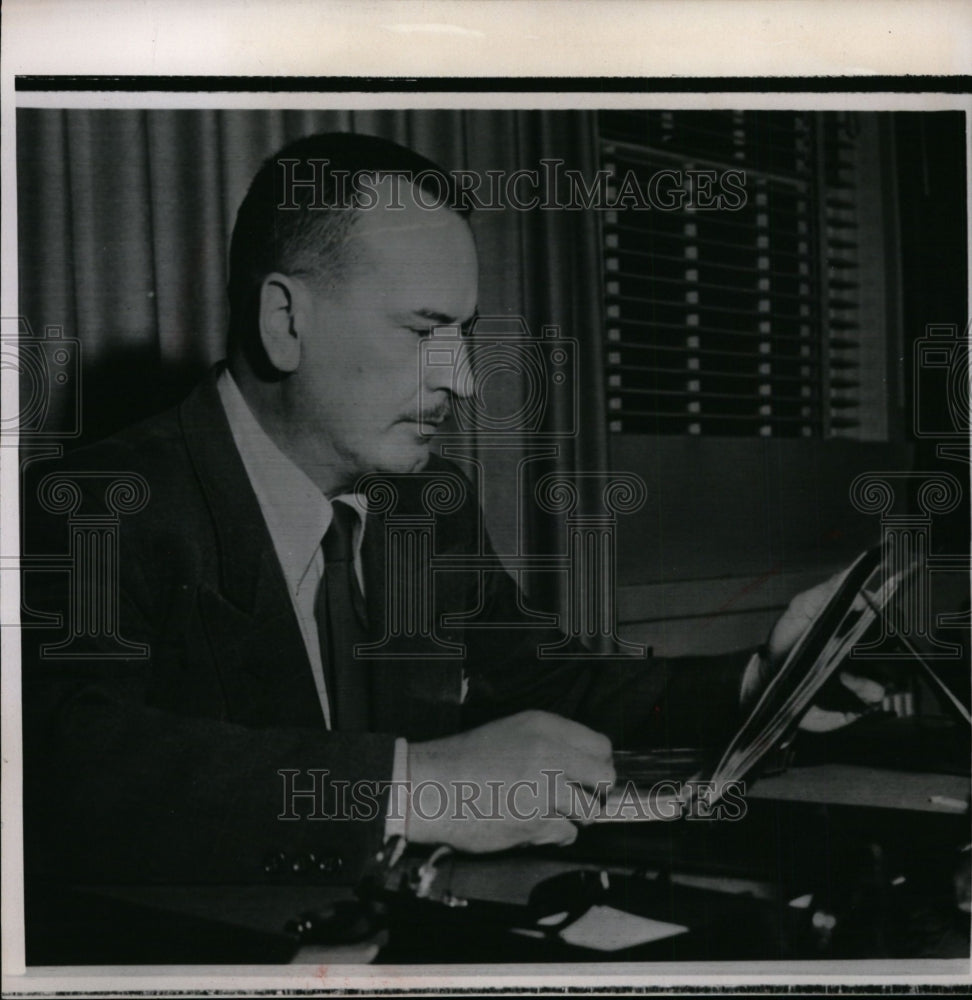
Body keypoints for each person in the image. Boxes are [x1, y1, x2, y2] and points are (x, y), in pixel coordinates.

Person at [22, 132, 873, 890]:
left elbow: (547, 676)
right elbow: (60, 769)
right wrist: (415, 783)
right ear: (285, 320)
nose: (462, 381)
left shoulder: (429, 505)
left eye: (463, 335)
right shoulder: (96, 508)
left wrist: (763, 680)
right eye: (425, 330)